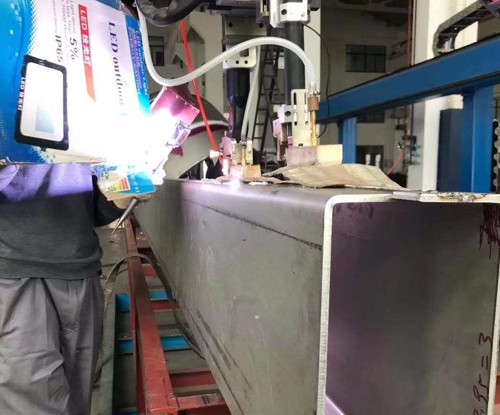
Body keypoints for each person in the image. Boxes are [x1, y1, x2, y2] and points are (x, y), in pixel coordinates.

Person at [0, 163, 125, 415]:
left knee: (78, 403)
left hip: (81, 270)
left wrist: (121, 193)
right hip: (15, 273)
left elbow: (91, 207)